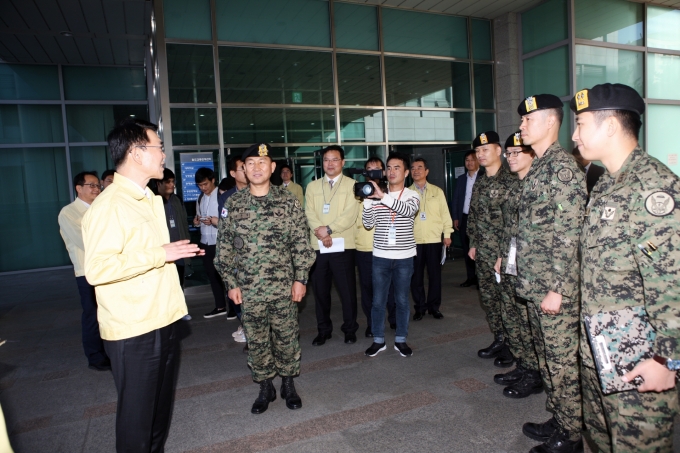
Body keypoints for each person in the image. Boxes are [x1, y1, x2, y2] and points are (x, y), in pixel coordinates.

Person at [82, 119, 203, 452]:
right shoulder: (110, 206)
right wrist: (159, 254)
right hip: (133, 330)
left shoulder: (149, 199)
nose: (164, 153)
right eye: (159, 146)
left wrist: (168, 254)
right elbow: (97, 269)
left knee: (157, 416)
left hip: (162, 318)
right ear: (136, 152)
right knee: (137, 421)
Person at [572, 83, 680, 452]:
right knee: (602, 441)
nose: (574, 135)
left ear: (611, 127)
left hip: (642, 356)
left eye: (581, 124)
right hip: (603, 349)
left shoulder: (654, 187)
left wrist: (668, 357)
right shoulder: (605, 186)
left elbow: (672, 279)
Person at [214, 143, 315, 414]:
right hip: (248, 289)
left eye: (263, 163)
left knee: (286, 336)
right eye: (251, 164)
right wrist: (230, 283)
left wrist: (300, 278)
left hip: (283, 286)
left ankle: (288, 383)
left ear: (272, 168)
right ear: (243, 170)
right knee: (257, 339)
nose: (256, 168)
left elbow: (300, 243)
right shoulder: (233, 204)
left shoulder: (288, 201)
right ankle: (264, 386)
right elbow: (224, 247)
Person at [515, 94, 586, 453]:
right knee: (546, 358)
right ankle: (560, 418)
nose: (522, 125)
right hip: (535, 285)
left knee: (561, 364)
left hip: (553, 288)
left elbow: (568, 234)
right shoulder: (539, 167)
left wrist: (557, 289)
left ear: (550, 123)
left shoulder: (562, 169)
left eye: (529, 120)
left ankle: (571, 436)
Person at [492, 132, 542, 399]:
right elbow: (508, 228)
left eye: (516, 153)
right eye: (508, 153)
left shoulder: (537, 185)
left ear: (531, 154)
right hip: (512, 261)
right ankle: (524, 366)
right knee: (515, 319)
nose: (510, 157)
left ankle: (534, 375)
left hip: (531, 268)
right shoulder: (514, 185)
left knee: (528, 323)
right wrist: (501, 256)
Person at [363, 152, 420, 358]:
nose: (392, 171)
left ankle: (401, 340)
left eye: (397, 167)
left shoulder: (412, 195)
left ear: (406, 172)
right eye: (388, 167)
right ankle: (378, 340)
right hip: (380, 256)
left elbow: (407, 211)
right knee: (378, 301)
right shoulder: (376, 195)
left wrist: (382, 197)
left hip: (405, 257)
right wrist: (368, 202)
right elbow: (368, 224)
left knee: (402, 300)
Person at [467, 131, 517, 366]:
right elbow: (474, 216)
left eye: (485, 149)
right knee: (489, 300)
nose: (480, 154)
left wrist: (503, 254)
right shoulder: (480, 180)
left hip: (502, 256)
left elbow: (513, 222)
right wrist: (473, 243)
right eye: (477, 151)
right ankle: (499, 337)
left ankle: (513, 345)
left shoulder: (511, 180)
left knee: (507, 302)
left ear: (499, 151)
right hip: (482, 253)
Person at [305, 145, 360, 346]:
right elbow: (309, 212)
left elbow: (350, 214)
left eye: (334, 159)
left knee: (347, 291)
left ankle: (350, 329)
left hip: (343, 245)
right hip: (318, 246)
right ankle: (323, 330)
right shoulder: (312, 186)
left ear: (342, 162)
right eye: (326, 159)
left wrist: (328, 229)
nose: (330, 163)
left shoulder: (353, 185)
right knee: (320, 291)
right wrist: (321, 232)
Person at [58, 171, 110, 371]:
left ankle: (108, 351)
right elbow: (84, 242)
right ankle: (95, 356)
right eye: (91, 185)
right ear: (78, 188)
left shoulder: (102, 208)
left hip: (107, 267)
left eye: (98, 185)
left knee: (107, 312)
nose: (96, 189)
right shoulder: (69, 212)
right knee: (92, 314)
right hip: (86, 271)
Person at [355, 157, 397, 337]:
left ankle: (394, 319)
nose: (373, 173)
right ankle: (372, 323)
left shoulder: (391, 191)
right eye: (369, 170)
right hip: (364, 248)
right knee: (368, 289)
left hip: (386, 248)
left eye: (377, 170)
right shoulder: (358, 191)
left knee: (390, 287)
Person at [409, 157, 453, 320]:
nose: (416, 171)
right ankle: (419, 307)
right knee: (416, 277)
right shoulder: (406, 192)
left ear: (427, 171)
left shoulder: (437, 191)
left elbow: (445, 214)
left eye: (419, 167)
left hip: (434, 240)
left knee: (435, 276)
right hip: (414, 241)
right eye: (413, 168)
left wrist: (447, 234)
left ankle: (434, 307)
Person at [193, 167, 235, 320]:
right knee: (212, 275)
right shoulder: (200, 199)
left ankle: (233, 307)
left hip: (221, 242)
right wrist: (196, 222)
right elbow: (198, 220)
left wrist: (215, 222)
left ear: (213, 180)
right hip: (206, 242)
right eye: (199, 185)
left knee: (227, 275)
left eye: (205, 184)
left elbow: (230, 221)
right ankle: (220, 306)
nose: (203, 188)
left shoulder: (222, 195)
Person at [452, 151, 481, 287]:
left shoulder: (483, 177)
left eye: (472, 160)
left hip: (480, 220)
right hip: (464, 218)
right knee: (466, 247)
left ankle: (481, 279)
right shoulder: (462, 179)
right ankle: (471, 277)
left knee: (479, 248)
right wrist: (456, 217)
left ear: (478, 161)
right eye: (467, 160)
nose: (469, 163)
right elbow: (456, 199)